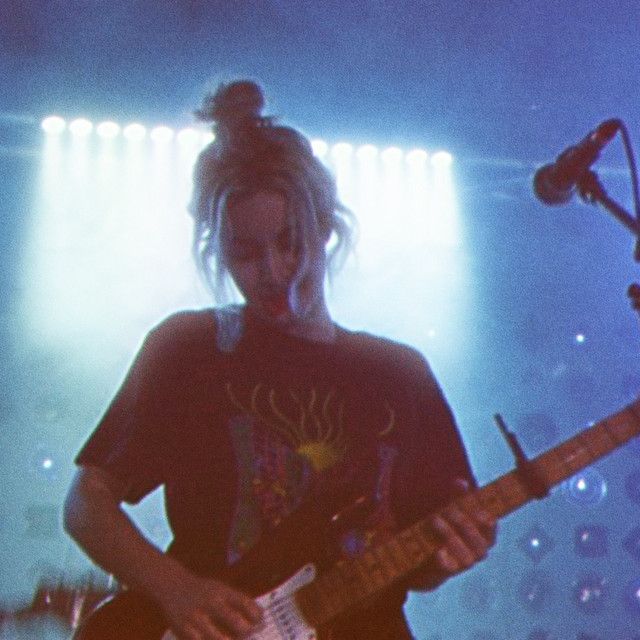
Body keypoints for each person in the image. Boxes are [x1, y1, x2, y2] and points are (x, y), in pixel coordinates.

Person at [63, 79, 497, 640]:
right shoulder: (191, 348)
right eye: (244, 252)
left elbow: (422, 562)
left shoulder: (399, 374)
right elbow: (86, 502)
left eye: (290, 241)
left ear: (326, 229)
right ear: (216, 250)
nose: (271, 270)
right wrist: (177, 590)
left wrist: (455, 551)